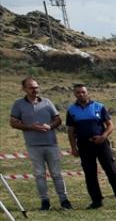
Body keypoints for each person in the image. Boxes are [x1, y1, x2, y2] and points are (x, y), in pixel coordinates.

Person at [9, 77, 71, 210]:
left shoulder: (47, 102)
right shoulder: (18, 104)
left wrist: (50, 126)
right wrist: (30, 127)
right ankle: (45, 202)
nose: (35, 90)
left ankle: (64, 200)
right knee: (39, 175)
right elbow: (13, 123)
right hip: (33, 145)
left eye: (36, 87)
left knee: (56, 174)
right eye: (31, 87)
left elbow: (58, 120)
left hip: (51, 144)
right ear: (24, 89)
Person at [65, 83, 116, 209]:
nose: (81, 94)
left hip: (101, 143)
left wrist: (103, 137)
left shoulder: (99, 106)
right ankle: (96, 201)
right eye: (78, 92)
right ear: (74, 94)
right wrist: (73, 148)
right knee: (90, 174)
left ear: (87, 92)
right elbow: (71, 131)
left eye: (83, 92)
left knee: (111, 171)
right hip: (84, 145)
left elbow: (110, 125)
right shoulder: (71, 110)